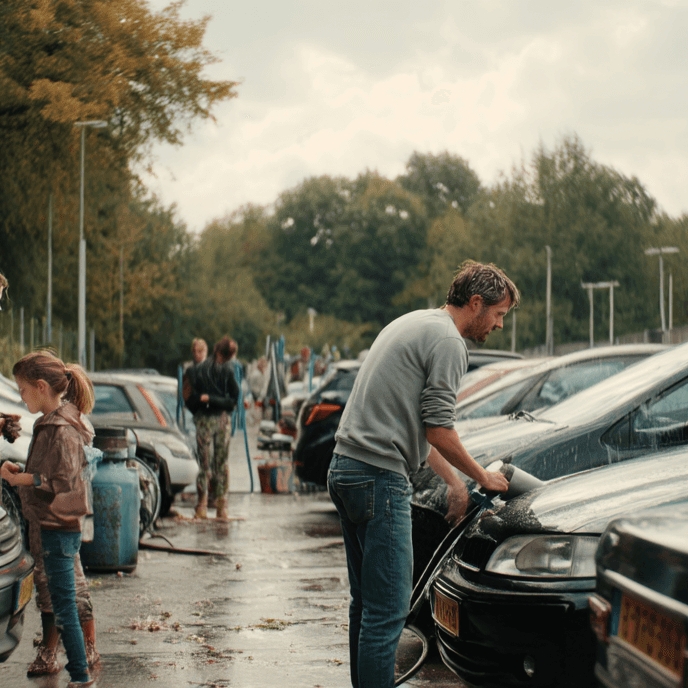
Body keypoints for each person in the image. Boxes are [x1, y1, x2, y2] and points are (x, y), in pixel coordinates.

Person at [328, 260, 518, 688]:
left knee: (365, 606)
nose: (499, 325)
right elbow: (439, 429)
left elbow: (418, 426)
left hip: (345, 468)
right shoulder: (450, 342)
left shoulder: (415, 322)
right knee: (387, 613)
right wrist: (481, 476)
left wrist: (453, 481)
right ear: (476, 303)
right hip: (379, 478)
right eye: (499, 314)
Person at [1, 351, 99, 687]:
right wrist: (23, 472)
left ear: (41, 386)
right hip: (52, 526)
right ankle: (79, 671)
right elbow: (49, 470)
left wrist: (19, 478)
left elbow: (60, 480)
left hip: (57, 528)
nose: (21, 397)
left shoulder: (61, 428)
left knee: (64, 607)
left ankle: (81, 675)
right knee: (62, 603)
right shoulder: (54, 423)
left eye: (23, 390)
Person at [183, 335, 239, 520]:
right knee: (220, 464)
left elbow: (188, 398)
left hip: (204, 420)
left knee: (205, 464)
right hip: (221, 419)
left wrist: (204, 404)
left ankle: (202, 505)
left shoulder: (195, 371)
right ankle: (221, 506)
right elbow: (234, 399)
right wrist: (216, 403)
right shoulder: (227, 371)